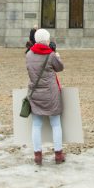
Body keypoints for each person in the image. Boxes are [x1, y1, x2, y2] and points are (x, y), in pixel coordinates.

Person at [26, 28, 64, 165]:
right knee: (56, 124)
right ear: (46, 40)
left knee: (36, 125)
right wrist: (57, 56)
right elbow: (60, 68)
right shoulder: (51, 55)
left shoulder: (29, 54)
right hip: (51, 93)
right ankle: (58, 154)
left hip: (35, 93)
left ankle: (37, 155)